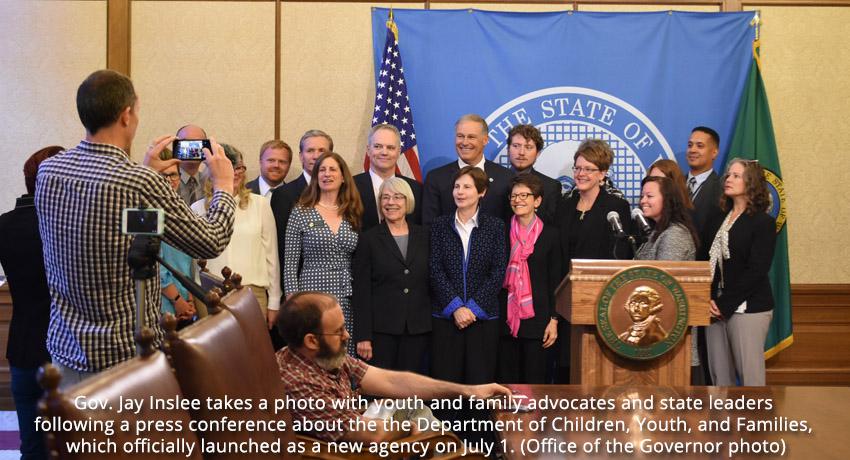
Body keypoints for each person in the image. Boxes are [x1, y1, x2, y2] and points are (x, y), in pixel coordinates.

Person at [34, 69, 235, 386]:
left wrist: (145, 174)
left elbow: (104, 224)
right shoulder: (139, 182)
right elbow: (211, 241)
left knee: (77, 436)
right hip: (125, 355)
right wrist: (223, 185)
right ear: (126, 115)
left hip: (66, 350)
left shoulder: (48, 171)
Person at [275, 291, 512, 442]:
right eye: (338, 331)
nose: (347, 335)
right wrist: (411, 428)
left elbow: (392, 381)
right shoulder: (297, 383)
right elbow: (372, 434)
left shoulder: (324, 355)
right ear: (311, 340)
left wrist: (469, 391)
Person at [0, 145, 62, 460]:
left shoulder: (4, 225)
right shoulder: (67, 226)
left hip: (23, 346)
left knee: (32, 448)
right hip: (68, 349)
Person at [554, 139, 632, 382]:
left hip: (600, 301)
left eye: (588, 169)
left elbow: (621, 256)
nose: (581, 174)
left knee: (596, 369)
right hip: (566, 299)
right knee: (567, 367)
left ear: (603, 173)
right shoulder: (564, 205)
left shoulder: (615, 206)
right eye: (577, 168)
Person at [429, 166, 506, 384]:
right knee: (446, 386)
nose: (460, 192)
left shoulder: (495, 227)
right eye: (456, 186)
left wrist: (472, 309)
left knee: (480, 385)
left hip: (482, 319)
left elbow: (498, 271)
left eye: (467, 187)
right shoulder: (439, 226)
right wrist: (456, 308)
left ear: (481, 192)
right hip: (446, 318)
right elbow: (435, 269)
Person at [192, 144, 281, 328]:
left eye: (238, 167)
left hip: (251, 293)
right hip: (209, 293)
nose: (235, 172)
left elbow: (272, 257)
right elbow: (193, 260)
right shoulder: (197, 209)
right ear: (211, 171)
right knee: (213, 354)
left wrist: (274, 302)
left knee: (251, 353)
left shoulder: (260, 205)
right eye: (228, 166)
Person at [705, 159, 776, 386]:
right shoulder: (718, 218)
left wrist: (724, 304)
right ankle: (722, 423)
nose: (729, 179)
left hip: (749, 309)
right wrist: (707, 299)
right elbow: (704, 261)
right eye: (728, 175)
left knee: (750, 379)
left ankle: (755, 423)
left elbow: (757, 270)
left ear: (751, 182)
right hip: (713, 309)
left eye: (736, 176)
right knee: (719, 378)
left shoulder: (762, 222)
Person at [284, 152, 362, 356]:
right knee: (315, 349)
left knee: (343, 351)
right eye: (322, 170)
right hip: (311, 294)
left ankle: (344, 389)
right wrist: (294, 299)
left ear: (343, 176)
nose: (327, 174)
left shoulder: (352, 211)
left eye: (332, 169)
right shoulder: (301, 211)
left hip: (346, 294)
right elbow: (290, 261)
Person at [353, 177, 429, 372]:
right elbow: (362, 290)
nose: (391, 202)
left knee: (411, 395)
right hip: (381, 331)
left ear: (408, 201)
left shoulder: (425, 236)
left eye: (397, 197)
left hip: (418, 328)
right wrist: (363, 336)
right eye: (385, 197)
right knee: (381, 395)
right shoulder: (368, 239)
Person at [498, 174, 561, 384]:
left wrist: (554, 319)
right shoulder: (501, 231)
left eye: (524, 195)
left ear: (538, 201)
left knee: (535, 384)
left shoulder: (551, 235)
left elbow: (556, 280)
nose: (518, 200)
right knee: (507, 386)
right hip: (506, 319)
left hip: (538, 321)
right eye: (514, 195)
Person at [270, 129, 334, 290]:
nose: (315, 155)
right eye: (310, 150)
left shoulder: (343, 194)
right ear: (301, 156)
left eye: (322, 150)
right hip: (300, 288)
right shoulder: (284, 195)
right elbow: (281, 250)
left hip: (339, 287)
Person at [422, 114, 513, 225]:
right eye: (460, 136)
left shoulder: (506, 177)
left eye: (471, 137)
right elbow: (428, 226)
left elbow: (511, 225)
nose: (464, 142)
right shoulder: (436, 178)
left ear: (485, 140)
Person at [353, 124, 422, 231]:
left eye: (390, 147)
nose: (384, 152)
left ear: (399, 152)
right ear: (368, 150)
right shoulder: (350, 187)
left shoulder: (416, 189)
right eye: (378, 146)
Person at [157, 149, 197, 327]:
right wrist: (177, 300)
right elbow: (156, 266)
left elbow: (186, 260)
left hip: (184, 298)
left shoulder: (182, 210)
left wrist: (188, 298)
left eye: (173, 175)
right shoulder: (149, 211)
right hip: (162, 303)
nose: (169, 181)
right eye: (162, 175)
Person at [506, 124, 562, 224]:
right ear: (508, 150)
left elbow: (551, 227)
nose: (521, 152)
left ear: (538, 153)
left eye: (528, 147)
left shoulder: (550, 186)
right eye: (516, 146)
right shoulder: (494, 181)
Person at [635, 176, 698, 261]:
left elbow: (666, 273)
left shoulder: (675, 234)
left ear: (667, 199)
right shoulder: (658, 229)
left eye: (649, 196)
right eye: (642, 196)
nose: (642, 201)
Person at [686, 126, 724, 243]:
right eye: (690, 145)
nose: (692, 150)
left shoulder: (722, 190)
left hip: (704, 259)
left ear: (714, 153)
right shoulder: (674, 184)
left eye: (700, 146)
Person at [175, 124, 208, 206]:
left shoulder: (211, 183)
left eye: (197, 143)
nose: (192, 148)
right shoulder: (165, 182)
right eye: (186, 142)